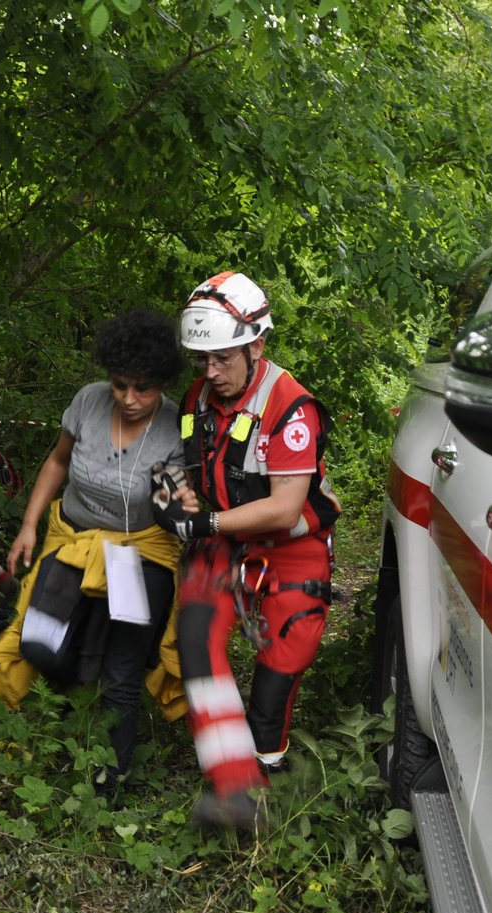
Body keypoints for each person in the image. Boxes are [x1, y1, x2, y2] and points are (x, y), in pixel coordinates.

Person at [150, 271, 341, 833]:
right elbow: (185, 464)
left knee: (282, 664)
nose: (210, 373)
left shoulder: (290, 407)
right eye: (201, 360)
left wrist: (204, 518)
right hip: (223, 541)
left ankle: (265, 767)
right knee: (196, 634)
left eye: (223, 359)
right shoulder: (199, 397)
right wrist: (170, 494)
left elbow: (285, 507)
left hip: (290, 547)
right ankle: (236, 785)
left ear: (257, 344)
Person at [0, 308, 187, 801]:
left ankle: (110, 781)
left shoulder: (177, 426)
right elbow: (57, 460)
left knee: (122, 672)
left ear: (162, 383)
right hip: (73, 538)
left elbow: (178, 505)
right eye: (120, 385)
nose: (130, 399)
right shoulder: (88, 402)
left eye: (144, 389)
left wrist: (182, 501)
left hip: (138, 553)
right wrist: (29, 525)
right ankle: (72, 694)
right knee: (39, 643)